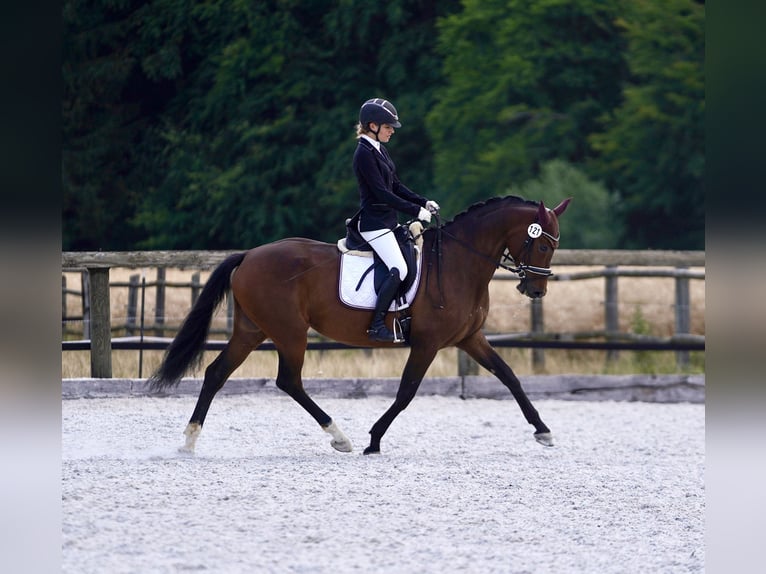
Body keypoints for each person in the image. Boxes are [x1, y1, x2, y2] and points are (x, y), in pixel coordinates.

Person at [353, 98, 439, 342]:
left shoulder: (379, 149)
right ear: (372, 126)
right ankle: (377, 325)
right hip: (374, 224)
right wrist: (415, 212)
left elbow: (397, 185)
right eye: (388, 127)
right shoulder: (363, 154)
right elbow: (382, 194)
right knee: (398, 269)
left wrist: (423, 202)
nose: (392, 131)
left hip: (388, 223)